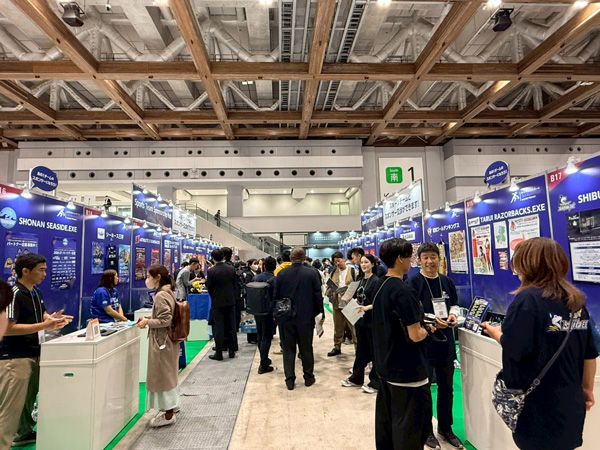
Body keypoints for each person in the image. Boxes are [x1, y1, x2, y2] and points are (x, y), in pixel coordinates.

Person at [481, 238, 598, 450]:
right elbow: (590, 353)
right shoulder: (577, 302)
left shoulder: (527, 300)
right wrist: (587, 389)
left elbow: (515, 348)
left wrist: (496, 333)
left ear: (528, 264)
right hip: (571, 402)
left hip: (537, 405)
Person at [0, 254, 73, 448]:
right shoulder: (13, 294)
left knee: (28, 400)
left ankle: (22, 434)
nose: (45, 274)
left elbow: (42, 315)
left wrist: (53, 320)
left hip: (34, 352)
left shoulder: (35, 292)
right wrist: (43, 325)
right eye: (41, 270)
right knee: (11, 408)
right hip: (15, 357)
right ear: (25, 271)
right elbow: (7, 328)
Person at [372, 239, 435, 450]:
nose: (412, 261)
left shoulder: (380, 285)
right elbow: (415, 335)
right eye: (410, 256)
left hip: (385, 368)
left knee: (388, 429)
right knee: (410, 434)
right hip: (407, 373)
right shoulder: (403, 291)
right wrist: (429, 329)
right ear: (400, 259)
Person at [407, 243, 462, 449]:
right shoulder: (413, 283)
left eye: (433, 257)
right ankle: (427, 431)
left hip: (446, 342)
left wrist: (453, 315)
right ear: (419, 260)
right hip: (424, 342)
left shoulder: (446, 281)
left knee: (447, 388)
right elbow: (412, 313)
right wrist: (431, 321)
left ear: (439, 259)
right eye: (426, 258)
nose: (430, 261)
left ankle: (446, 428)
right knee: (425, 390)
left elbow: (454, 303)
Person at [273, 247, 325, 390]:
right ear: (304, 258)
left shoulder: (282, 273)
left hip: (286, 317)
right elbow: (318, 295)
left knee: (288, 350)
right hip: (306, 317)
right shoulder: (312, 273)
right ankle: (308, 377)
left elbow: (275, 296)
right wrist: (321, 313)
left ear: (291, 258)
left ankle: (289, 380)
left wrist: (276, 315)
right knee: (306, 348)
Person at [137, 265, 180, 428]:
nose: (147, 279)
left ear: (158, 277)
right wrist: (150, 318)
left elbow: (165, 320)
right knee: (169, 376)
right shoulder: (168, 291)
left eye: (149, 276)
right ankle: (173, 405)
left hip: (163, 342)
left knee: (163, 378)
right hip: (168, 341)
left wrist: (148, 322)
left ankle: (168, 414)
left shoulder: (161, 295)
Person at [341, 254, 380, 394]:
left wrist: (366, 307)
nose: (363, 265)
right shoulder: (360, 280)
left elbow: (378, 302)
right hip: (359, 320)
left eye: (366, 262)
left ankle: (375, 382)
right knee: (361, 351)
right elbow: (358, 297)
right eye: (362, 262)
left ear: (372, 264)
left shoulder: (376, 281)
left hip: (371, 321)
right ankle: (356, 378)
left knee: (374, 352)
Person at [206, 249, 238, 361]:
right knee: (231, 326)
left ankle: (219, 352)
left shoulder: (211, 271)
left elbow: (209, 287)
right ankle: (231, 351)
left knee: (219, 327)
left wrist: (215, 296)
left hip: (217, 302)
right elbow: (235, 285)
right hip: (230, 301)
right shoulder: (231, 269)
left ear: (213, 258)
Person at [327, 251, 357, 357]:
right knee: (338, 328)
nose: (338, 264)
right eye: (335, 262)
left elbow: (357, 286)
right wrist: (330, 292)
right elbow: (329, 288)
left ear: (343, 259)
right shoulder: (333, 273)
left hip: (350, 305)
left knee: (354, 329)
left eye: (339, 261)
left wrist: (348, 291)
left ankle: (358, 349)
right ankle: (337, 347)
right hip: (337, 304)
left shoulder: (353, 271)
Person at [253, 256, 277, 374]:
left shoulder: (256, 277)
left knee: (260, 335)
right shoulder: (275, 280)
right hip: (269, 311)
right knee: (267, 337)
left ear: (264, 266)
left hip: (257, 310)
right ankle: (263, 364)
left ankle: (264, 358)